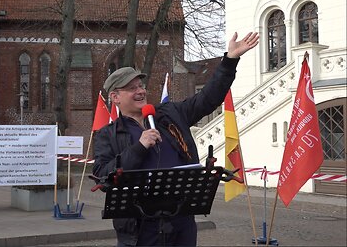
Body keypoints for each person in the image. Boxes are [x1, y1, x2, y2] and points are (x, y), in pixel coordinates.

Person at [93, 32, 259, 246]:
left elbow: (208, 98)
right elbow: (102, 176)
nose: (141, 91)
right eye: (132, 88)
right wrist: (140, 147)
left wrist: (230, 60)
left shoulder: (170, 113)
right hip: (140, 228)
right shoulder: (108, 134)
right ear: (115, 97)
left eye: (141, 86)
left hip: (181, 219)